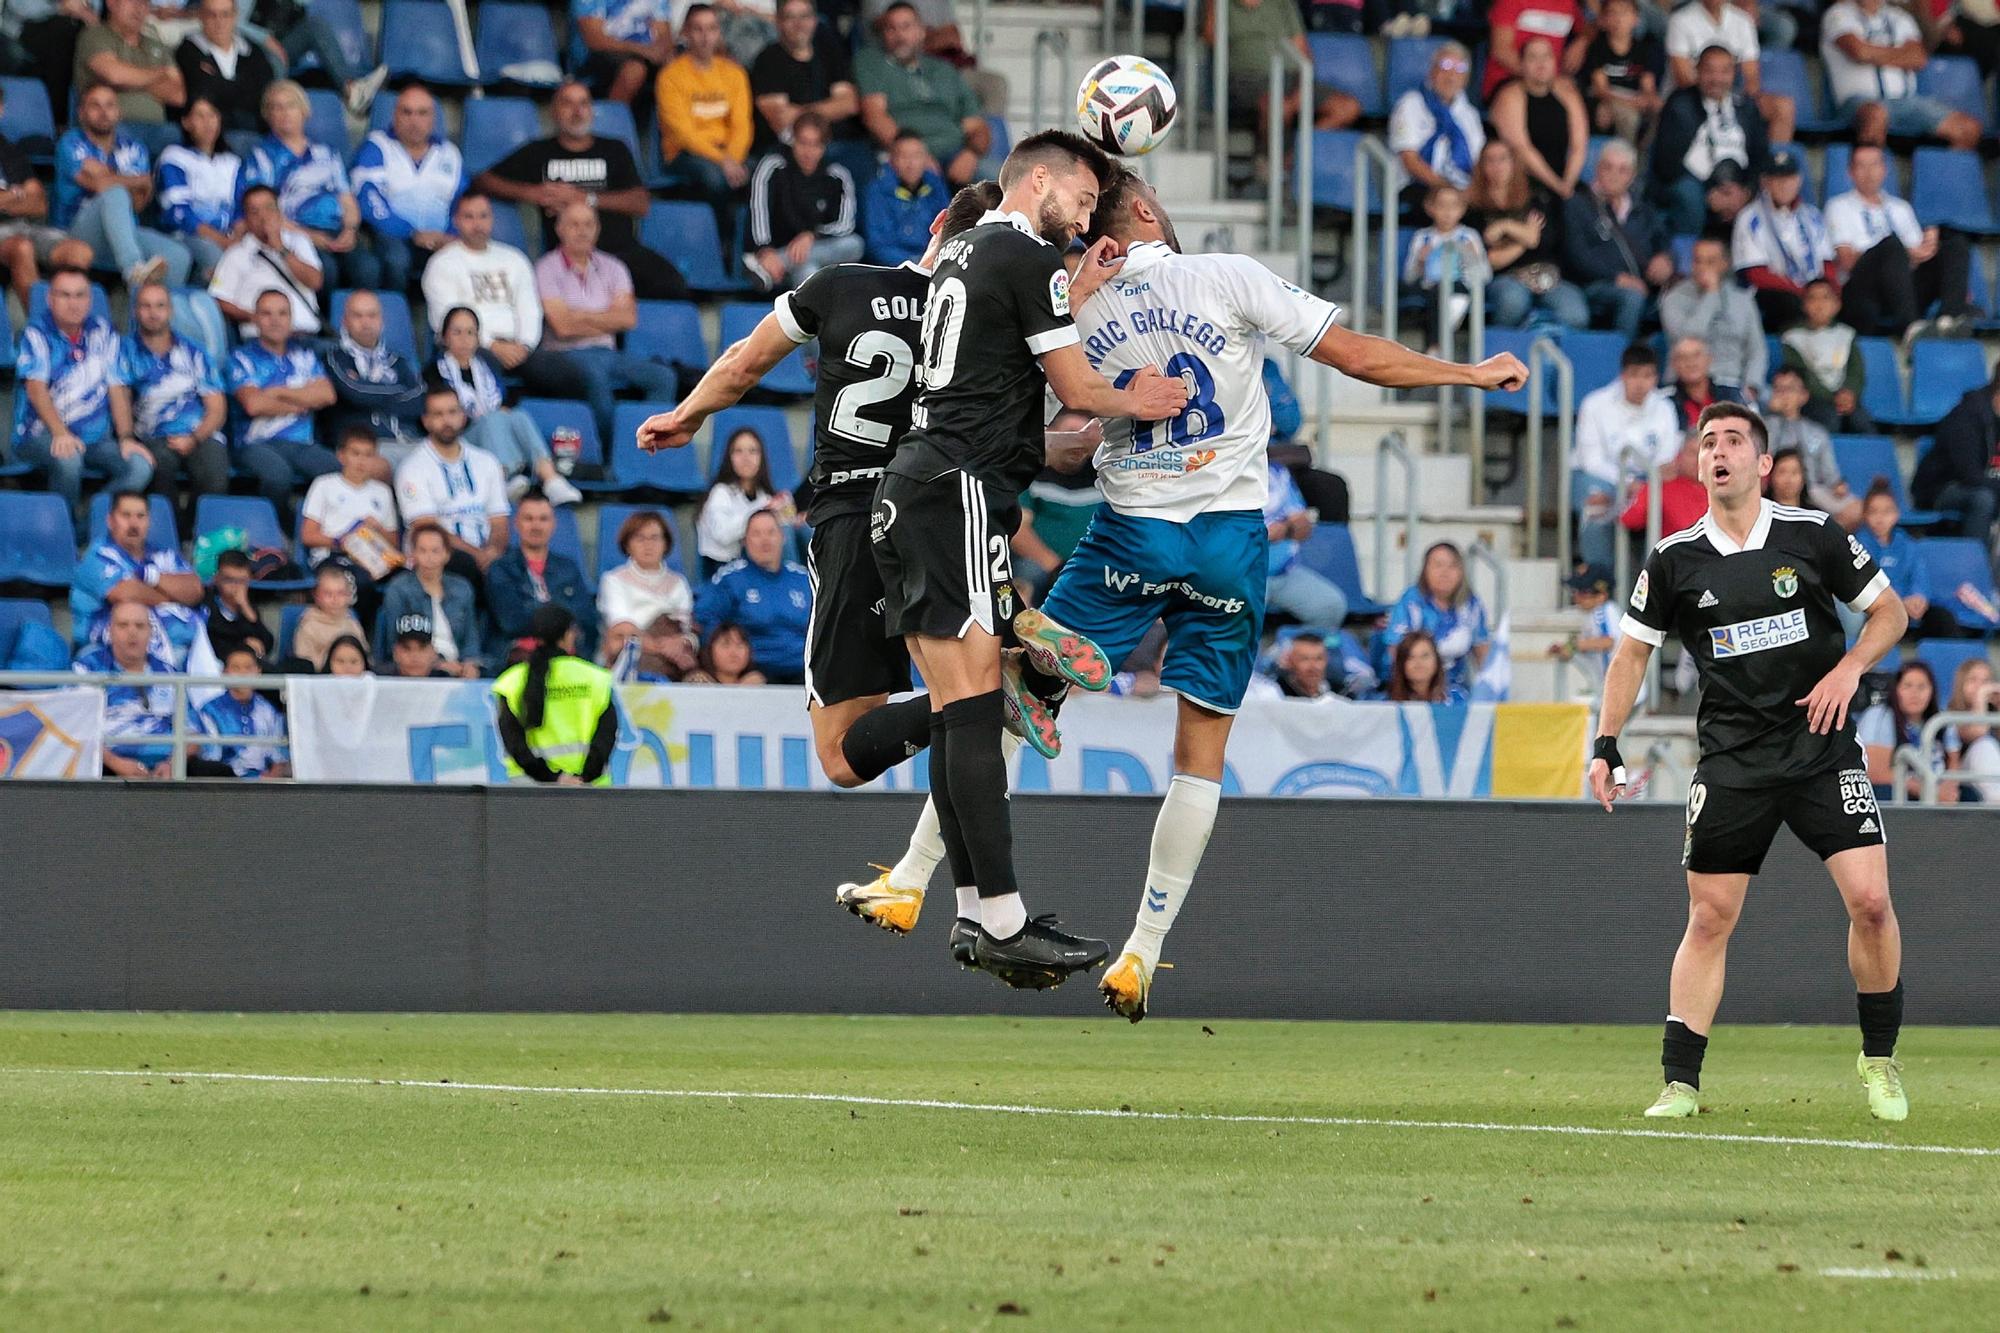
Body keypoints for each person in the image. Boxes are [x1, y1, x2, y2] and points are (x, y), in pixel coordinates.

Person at [833, 131, 1192, 988]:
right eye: (1078, 195)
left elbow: (1002, 349)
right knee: (972, 706)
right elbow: (1076, 389)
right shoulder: (1026, 254)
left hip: (916, 491)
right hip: (955, 491)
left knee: (967, 709)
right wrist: (1134, 397)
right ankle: (1001, 917)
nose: (1083, 213)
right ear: (1041, 181)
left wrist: (1083, 284)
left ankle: (971, 914)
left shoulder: (968, 251)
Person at [1591, 401, 1911, 1123]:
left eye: (1734, 439)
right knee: (1710, 915)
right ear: (1699, 463)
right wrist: (1606, 744)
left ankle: (1880, 1057)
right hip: (1733, 759)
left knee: (1870, 900)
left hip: (1821, 748)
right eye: (1708, 442)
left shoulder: (1813, 533)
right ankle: (1680, 1082)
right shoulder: (1674, 558)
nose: (1719, 450)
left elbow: (1889, 612)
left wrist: (1850, 667)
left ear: (1763, 463)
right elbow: (1632, 652)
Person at [636, 181, 1002, 801]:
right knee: (955, 700)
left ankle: (991, 702)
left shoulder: (841, 284)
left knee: (840, 756)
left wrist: (689, 415)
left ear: (938, 221)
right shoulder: (985, 325)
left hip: (856, 520)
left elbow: (743, 364)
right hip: (946, 523)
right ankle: (987, 703)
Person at [474, 81, 688, 301]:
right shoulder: (539, 152)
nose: (577, 111)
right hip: (570, 257)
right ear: (554, 113)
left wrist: (585, 198)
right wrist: (532, 193)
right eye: (568, 104)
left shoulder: (614, 149)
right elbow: (483, 181)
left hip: (621, 251)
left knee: (672, 285)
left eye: (583, 104)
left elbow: (640, 204)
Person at [421, 192, 595, 413]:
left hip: (520, 347)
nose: (477, 224)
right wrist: (492, 345)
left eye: (483, 216)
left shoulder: (514, 259)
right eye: (469, 217)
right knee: (484, 370)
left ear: (492, 219)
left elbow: (530, 310)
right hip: (473, 348)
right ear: (456, 221)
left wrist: (524, 346)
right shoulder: (442, 263)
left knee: (574, 377)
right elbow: (445, 321)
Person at [13, 266, 155, 528]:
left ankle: (88, 519)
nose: (73, 303)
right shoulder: (36, 333)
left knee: (140, 465)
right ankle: (61, 529)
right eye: (65, 295)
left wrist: (125, 438)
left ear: (89, 300)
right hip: (40, 435)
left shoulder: (104, 332)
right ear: (50, 299)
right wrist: (59, 433)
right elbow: (36, 388)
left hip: (96, 440)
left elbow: (117, 388)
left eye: (80, 296)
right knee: (68, 459)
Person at [532, 202, 680, 450]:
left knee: (663, 377)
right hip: (564, 354)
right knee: (595, 378)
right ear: (560, 229)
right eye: (574, 224)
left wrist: (579, 315)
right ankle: (615, 452)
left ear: (598, 229)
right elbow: (562, 326)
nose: (582, 231)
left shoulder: (614, 267)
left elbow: (627, 320)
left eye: (589, 224)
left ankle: (645, 445)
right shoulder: (546, 267)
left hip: (607, 353)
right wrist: (605, 317)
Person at [423, 305, 583, 506]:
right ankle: (504, 479)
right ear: (445, 337)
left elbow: (503, 400)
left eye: (470, 332)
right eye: (457, 332)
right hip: (458, 438)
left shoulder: (486, 363)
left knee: (518, 416)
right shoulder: (434, 371)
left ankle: (551, 480)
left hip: (492, 430)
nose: (464, 339)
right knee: (494, 418)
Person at [110, 280, 229, 531]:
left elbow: (217, 407)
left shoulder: (195, 352)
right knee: (160, 468)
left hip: (199, 433)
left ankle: (196, 536)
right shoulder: (124, 350)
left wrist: (194, 438)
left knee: (215, 472)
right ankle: (173, 538)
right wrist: (126, 437)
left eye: (160, 306)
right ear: (135, 311)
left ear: (171, 310)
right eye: (146, 306)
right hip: (152, 435)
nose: (153, 313)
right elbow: (119, 396)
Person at [1825, 144, 1973, 341]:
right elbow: (1846, 261)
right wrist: (1902, 253)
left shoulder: (1900, 208)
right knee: (1892, 246)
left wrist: (1929, 247)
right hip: (1865, 292)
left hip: (1905, 289)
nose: (1869, 173)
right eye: (1861, 166)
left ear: (1884, 169)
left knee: (1955, 243)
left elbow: (1916, 255)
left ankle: (1949, 318)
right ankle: (1910, 327)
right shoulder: (1838, 206)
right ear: (1850, 172)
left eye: (1875, 165)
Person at [56, 83, 192, 291]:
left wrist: (114, 179)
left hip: (124, 232)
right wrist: (135, 181)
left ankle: (147, 313)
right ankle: (132, 269)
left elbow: (137, 204)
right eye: (95, 106)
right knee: (115, 194)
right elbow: (101, 186)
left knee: (178, 256)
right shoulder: (71, 142)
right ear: (81, 113)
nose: (104, 112)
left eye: (110, 105)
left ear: (119, 112)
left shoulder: (134, 148)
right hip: (77, 232)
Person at [248, 79, 370, 286]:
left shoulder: (327, 153)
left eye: (291, 106)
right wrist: (310, 236)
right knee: (327, 271)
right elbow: (265, 211)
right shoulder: (262, 157)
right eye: (277, 107)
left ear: (304, 111)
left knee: (368, 268)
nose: (285, 113)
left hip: (337, 230)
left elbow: (347, 199)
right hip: (293, 233)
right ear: (268, 115)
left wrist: (349, 230)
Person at [227, 287, 337, 511]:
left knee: (334, 470)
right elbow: (254, 405)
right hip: (254, 444)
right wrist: (302, 400)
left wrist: (276, 392)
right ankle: (278, 534)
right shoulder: (241, 357)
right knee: (278, 475)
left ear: (291, 319)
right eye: (267, 314)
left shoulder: (304, 356)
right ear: (255, 319)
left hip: (300, 443)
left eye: (282, 313)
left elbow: (327, 395)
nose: (275, 320)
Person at [856, 3, 987, 187]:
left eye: (906, 27)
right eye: (891, 28)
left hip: (955, 153)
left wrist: (971, 154)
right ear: (883, 34)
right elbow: (875, 117)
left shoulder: (944, 69)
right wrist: (916, 156)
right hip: (903, 157)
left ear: (921, 31)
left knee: (1003, 181)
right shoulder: (871, 62)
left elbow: (977, 127)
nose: (899, 35)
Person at [71, 487, 205, 665]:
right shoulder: (97, 556)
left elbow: (195, 590)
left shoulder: (164, 555)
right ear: (110, 521)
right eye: (126, 515)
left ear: (148, 521)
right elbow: (127, 594)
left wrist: (154, 578)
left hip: (181, 647)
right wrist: (174, 595)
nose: (134, 524)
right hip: (109, 656)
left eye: (140, 516)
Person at [1824, 0, 1982, 150]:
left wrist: (1872, 53)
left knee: (1968, 129)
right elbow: (1859, 52)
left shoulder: (1899, 17)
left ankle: (1944, 177)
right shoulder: (1838, 14)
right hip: (1859, 102)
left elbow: (1918, 58)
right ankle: (1872, 174)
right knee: (1876, 115)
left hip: (1907, 103)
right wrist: (1901, 54)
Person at [395, 386, 512, 587]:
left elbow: (499, 521)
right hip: (440, 554)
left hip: (486, 551)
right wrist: (478, 555)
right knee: (469, 569)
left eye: (452, 412)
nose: (447, 421)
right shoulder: (412, 467)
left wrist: (493, 551)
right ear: (426, 421)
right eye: (438, 414)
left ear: (463, 416)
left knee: (516, 567)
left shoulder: (486, 461)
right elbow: (425, 527)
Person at [351, 84, 463, 294]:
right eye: (407, 112)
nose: (414, 120)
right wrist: (411, 232)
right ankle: (397, 316)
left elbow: (462, 201)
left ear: (433, 118)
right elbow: (368, 199)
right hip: (394, 236)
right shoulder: (377, 146)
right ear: (395, 115)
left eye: (422, 113)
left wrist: (451, 235)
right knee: (395, 260)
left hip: (442, 237)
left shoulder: (450, 153)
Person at [1648, 45, 1769, 236]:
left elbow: (1761, 156)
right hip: (1695, 186)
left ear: (1734, 73)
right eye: (1709, 70)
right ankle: (1689, 259)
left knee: (1776, 186)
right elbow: (1666, 163)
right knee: (1688, 193)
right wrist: (1709, 193)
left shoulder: (1746, 106)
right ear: (1698, 71)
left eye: (1724, 71)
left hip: (1738, 185)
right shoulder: (1679, 104)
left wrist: (1745, 192)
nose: (1717, 79)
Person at [492, 604, 619, 785]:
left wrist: (554, 779)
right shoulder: (596, 678)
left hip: (529, 793)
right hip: (590, 792)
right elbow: (605, 737)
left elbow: (515, 744)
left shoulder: (511, 682)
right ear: (568, 634)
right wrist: (583, 778)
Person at [1466, 140, 1587, 330]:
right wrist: (1526, 239)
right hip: (1506, 278)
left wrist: (1506, 228)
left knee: (1576, 314)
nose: (1497, 166)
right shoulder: (1474, 210)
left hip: (1547, 274)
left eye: (1503, 159)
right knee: (1512, 303)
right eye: (1490, 160)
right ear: (1481, 166)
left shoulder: (1536, 198)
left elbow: (1545, 241)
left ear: (1514, 163)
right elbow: (1491, 259)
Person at [656, 4, 754, 238]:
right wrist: (724, 162)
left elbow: (742, 124)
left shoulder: (735, 73)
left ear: (719, 32)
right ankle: (720, 242)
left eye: (711, 29)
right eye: (697, 29)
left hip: (729, 153)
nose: (705, 37)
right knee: (714, 178)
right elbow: (683, 133)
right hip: (685, 153)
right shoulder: (670, 76)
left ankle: (753, 245)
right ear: (685, 33)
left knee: (765, 170)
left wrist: (733, 158)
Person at [1563, 138, 1673, 341]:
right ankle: (1622, 362)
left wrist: (1664, 258)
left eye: (1622, 170)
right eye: (1608, 167)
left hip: (1645, 283)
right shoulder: (1577, 205)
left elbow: (1662, 239)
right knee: (1632, 297)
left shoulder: (1642, 208)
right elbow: (1577, 257)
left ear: (1631, 176)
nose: (1614, 175)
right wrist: (1617, 278)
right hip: (1594, 285)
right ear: (1597, 169)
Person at [0, 84, 93, 309]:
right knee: (22, 248)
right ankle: (41, 330)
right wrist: (16, 195)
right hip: (9, 236)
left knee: (79, 252)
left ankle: (73, 324)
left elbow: (39, 204)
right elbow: (27, 197)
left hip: (24, 227)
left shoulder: (7, 149)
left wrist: (7, 200)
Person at [745, 112, 861, 292]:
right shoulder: (773, 166)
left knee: (854, 244)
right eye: (803, 143)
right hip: (776, 249)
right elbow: (758, 210)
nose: (809, 151)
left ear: (825, 146)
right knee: (807, 269)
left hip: (818, 248)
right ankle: (774, 263)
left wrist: (811, 236)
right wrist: (765, 250)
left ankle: (770, 267)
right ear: (793, 141)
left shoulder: (837, 175)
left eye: (816, 145)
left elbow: (845, 225)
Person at [695, 508, 811, 684]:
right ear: (745, 541)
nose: (765, 540)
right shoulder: (730, 579)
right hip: (754, 671)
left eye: (771, 532)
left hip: (805, 670)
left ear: (783, 537)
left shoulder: (803, 579)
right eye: (756, 534)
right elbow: (705, 621)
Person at [73, 600, 186, 779]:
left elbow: (193, 731)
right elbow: (74, 726)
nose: (132, 632)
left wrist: (172, 764)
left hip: (165, 763)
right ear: (110, 631)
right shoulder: (88, 667)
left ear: (151, 632)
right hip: (107, 760)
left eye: (140, 626)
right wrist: (115, 763)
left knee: (216, 772)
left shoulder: (168, 672)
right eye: (123, 625)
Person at [487, 491, 598, 665]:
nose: (536, 526)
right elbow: (511, 622)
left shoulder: (568, 568)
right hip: (518, 658)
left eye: (543, 519)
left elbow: (585, 617)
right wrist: (560, 618)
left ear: (553, 524)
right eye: (529, 519)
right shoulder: (501, 568)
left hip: (568, 657)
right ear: (516, 524)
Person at [1733, 147, 1836, 332]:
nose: (1783, 185)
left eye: (1788, 178)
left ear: (1798, 180)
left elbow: (1827, 265)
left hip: (1811, 290)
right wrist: (1804, 293)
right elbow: (1755, 274)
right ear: (1765, 182)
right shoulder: (1750, 218)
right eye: (1777, 179)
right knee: (1789, 302)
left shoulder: (1812, 216)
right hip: (1770, 293)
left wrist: (1823, 295)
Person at [300, 426, 398, 615]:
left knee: (408, 580)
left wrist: (378, 529)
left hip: (374, 557)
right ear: (341, 455)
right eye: (356, 454)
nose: (361, 461)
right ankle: (356, 631)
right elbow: (308, 535)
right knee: (360, 581)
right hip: (333, 556)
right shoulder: (324, 485)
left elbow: (394, 543)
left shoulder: (382, 492)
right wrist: (340, 542)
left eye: (368, 455)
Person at [1665, 0, 1793, 145]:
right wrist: (1716, 100)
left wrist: (1737, 105)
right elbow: (1683, 78)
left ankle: (1774, 163)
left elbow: (1751, 78)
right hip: (1691, 99)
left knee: (1783, 107)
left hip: (1732, 97)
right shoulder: (1680, 20)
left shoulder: (1742, 20)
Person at [324, 288, 426, 469]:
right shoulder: (335, 357)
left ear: (382, 321)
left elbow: (419, 400)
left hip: (409, 441)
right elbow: (355, 393)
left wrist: (370, 394)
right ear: (345, 321)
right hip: (366, 449)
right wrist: (400, 390)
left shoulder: (397, 360)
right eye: (358, 316)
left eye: (372, 316)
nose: (366, 322)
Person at [1659, 236, 1767, 404]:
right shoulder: (1673, 298)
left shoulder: (1743, 300)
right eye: (1697, 261)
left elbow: (1757, 349)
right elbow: (1689, 339)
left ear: (1725, 264)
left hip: (1734, 383)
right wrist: (1711, 294)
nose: (1702, 268)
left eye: (1710, 262)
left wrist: (1752, 385)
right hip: (1685, 386)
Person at [208, 183, 321, 337]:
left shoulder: (299, 242)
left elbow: (315, 281)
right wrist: (252, 316)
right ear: (246, 219)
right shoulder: (237, 253)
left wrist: (281, 249)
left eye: (269, 208)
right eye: (255, 211)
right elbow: (220, 298)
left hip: (304, 335)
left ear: (279, 212)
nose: (263, 216)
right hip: (260, 338)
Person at [1855, 480, 1961, 641]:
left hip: (1910, 607)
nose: (1880, 518)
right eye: (1873, 512)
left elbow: (1919, 573)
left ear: (1896, 514)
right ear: (1864, 515)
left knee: (1943, 618)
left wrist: (1919, 597)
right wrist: (1897, 602)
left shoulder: (1907, 543)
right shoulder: (1857, 545)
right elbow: (1863, 584)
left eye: (1887, 512)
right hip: (1877, 609)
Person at [1385, 542, 1492, 698]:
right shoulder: (1411, 601)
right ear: (1425, 570)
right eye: (1438, 565)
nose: (1445, 572)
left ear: (1461, 571)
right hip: (1413, 690)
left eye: (1452, 566)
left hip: (1456, 689)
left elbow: (1483, 652)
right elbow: (1395, 651)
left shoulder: (1471, 604)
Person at [1489, 37, 1588, 206]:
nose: (1540, 63)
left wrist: (1568, 183)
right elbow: (1521, 148)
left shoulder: (1567, 92)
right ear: (1521, 64)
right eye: (1532, 57)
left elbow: (1579, 145)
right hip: (1524, 180)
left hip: (1564, 178)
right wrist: (1557, 186)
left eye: (1546, 56)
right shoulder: (1509, 96)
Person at [156, 96, 244, 282]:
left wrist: (236, 238)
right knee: (217, 260)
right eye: (200, 116)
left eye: (212, 115)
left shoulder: (232, 162)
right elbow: (179, 213)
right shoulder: (174, 157)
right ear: (186, 122)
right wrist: (221, 241)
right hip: (186, 235)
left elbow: (241, 209)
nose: (208, 122)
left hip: (229, 237)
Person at [751, 0, 860, 150]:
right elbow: (780, 118)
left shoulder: (830, 52)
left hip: (839, 144)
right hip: (791, 150)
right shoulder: (768, 59)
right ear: (778, 22)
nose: (799, 24)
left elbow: (849, 104)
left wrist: (800, 113)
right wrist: (831, 109)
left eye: (805, 16)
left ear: (815, 20)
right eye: (790, 17)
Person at [375, 522, 481, 675]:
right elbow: (395, 641)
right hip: (418, 667)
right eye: (422, 551)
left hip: (459, 666)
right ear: (413, 554)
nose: (429, 558)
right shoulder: (398, 588)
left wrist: (470, 664)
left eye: (435, 551)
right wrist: (437, 664)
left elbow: (470, 638)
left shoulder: (462, 588)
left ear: (447, 554)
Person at [73, 0, 185, 142]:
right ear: (112, 3)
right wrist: (161, 74)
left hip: (158, 129)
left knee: (176, 138)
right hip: (108, 127)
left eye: (145, 3)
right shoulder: (95, 35)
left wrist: (131, 78)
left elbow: (178, 95)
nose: (139, 8)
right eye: (133, 1)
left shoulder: (155, 44)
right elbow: (115, 75)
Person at [1764, 367, 1860, 528]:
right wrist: (1773, 413)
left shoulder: (1817, 432)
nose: (1785, 395)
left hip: (1813, 489)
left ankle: (1818, 541)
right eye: (1779, 389)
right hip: (1776, 486)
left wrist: (1838, 485)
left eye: (1790, 389)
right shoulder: (1764, 425)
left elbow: (1831, 475)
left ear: (1803, 396)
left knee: (1855, 509)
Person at [597, 508, 694, 662]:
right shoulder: (613, 580)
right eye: (640, 538)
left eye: (655, 538)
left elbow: (685, 627)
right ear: (628, 545)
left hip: (672, 655)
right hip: (627, 653)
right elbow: (621, 627)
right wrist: (658, 647)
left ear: (666, 544)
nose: (648, 545)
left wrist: (677, 644)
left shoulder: (679, 582)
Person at [1388, 41, 1485, 194]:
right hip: (1417, 185)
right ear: (1432, 72)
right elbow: (1409, 160)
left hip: (1462, 188)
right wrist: (1446, 188)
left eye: (1460, 69)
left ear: (1466, 79)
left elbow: (1478, 160)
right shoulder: (1411, 103)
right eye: (1445, 66)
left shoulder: (1470, 114)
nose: (1451, 75)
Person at [174, 0, 274, 147]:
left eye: (225, 15)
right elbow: (200, 92)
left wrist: (220, 83)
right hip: (210, 138)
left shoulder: (253, 51)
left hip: (255, 130)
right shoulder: (187, 51)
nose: (219, 21)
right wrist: (242, 88)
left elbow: (264, 93)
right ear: (201, 16)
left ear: (235, 16)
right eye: (211, 15)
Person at [1263, 459, 1348, 632]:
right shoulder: (1227, 470)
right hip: (1241, 575)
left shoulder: (1277, 472)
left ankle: (1289, 654)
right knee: (1240, 617)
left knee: (1331, 606)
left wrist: (1285, 528)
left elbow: (1304, 529)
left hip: (1284, 572)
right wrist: (1259, 534)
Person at [1402, 183, 1490, 349]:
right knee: (1439, 292)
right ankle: (1438, 342)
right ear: (1430, 207)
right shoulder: (1423, 237)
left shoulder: (1469, 236)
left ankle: (1435, 345)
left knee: (1453, 293)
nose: (1448, 212)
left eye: (1454, 206)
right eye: (1442, 205)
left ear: (1463, 209)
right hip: (1431, 289)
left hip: (1462, 288)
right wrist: (1420, 260)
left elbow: (1485, 276)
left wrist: (1472, 257)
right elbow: (1409, 277)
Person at [1914, 376, 2000, 545]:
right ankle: (1974, 563)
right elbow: (1969, 475)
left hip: (1985, 484)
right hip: (1942, 487)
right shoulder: (1966, 417)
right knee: (1983, 499)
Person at [1779, 280, 1872, 433]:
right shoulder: (1792, 336)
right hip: (1812, 399)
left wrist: (1849, 392)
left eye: (1825, 298)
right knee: (1829, 420)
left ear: (1837, 305)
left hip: (1844, 397)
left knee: (1862, 421)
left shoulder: (1846, 334)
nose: (1819, 304)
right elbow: (1801, 373)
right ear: (1804, 305)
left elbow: (1856, 370)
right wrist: (1832, 397)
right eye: (1812, 298)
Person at [1860, 660, 1960, 801]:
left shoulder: (1941, 721)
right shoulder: (1880, 716)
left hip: (1935, 786)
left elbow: (1954, 761)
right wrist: (1928, 790)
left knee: (1969, 795)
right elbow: (1876, 772)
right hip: (1900, 788)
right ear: (1896, 690)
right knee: (1885, 793)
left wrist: (1948, 789)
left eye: (1922, 687)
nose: (1915, 693)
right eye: (1907, 686)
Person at [697, 427, 788, 573]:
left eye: (753, 451)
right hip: (723, 567)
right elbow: (723, 535)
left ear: (761, 458)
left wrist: (790, 516)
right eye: (738, 451)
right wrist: (762, 510)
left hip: (755, 565)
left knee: (790, 531)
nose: (746, 458)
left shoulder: (763, 495)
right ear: (729, 457)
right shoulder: (720, 492)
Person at [195, 645, 288, 778]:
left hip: (262, 786)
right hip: (222, 785)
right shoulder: (209, 710)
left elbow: (279, 758)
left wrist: (268, 781)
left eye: (248, 667)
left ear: (258, 671)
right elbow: (211, 758)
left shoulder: (268, 710)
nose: (243, 673)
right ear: (224, 672)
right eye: (236, 668)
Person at [1579, 0, 1663, 144]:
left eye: (1624, 13)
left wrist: (1649, 98)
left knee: (1662, 108)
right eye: (1612, 13)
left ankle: (1644, 154)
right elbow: (1601, 89)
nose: (1619, 19)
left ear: (1636, 19)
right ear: (1603, 20)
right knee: (1629, 117)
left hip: (1633, 95)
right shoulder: (1597, 48)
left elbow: (1648, 85)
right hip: (1609, 95)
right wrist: (1631, 101)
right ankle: (1626, 158)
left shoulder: (1643, 49)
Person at [862, 131, 946, 266]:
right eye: (904, 156)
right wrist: (914, 264)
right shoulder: (878, 189)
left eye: (917, 156)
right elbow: (877, 244)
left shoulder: (935, 184)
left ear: (926, 158)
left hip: (931, 262)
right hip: (892, 268)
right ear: (892, 159)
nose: (911, 164)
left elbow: (945, 229)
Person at [570, 0, 673, 107]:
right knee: (635, 70)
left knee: (678, 65)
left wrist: (664, 51)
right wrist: (642, 50)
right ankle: (612, 120)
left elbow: (663, 33)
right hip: (598, 54)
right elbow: (594, 39)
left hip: (645, 53)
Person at [1482, 0, 1580, 101]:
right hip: (1509, 79)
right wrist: (1542, 79)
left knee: (1572, 95)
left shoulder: (1569, 3)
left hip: (1552, 81)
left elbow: (1588, 27)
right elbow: (1500, 51)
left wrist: (1582, 42)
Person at [202, 548, 275, 662]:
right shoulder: (205, 602)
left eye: (241, 581)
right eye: (229, 580)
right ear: (217, 578)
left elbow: (267, 643)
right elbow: (213, 640)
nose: (236, 586)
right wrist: (243, 646)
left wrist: (246, 608)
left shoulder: (249, 606)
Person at [290, 562, 366, 670]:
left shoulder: (353, 624)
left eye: (340, 593)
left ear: (349, 595)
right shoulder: (309, 626)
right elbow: (304, 663)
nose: (335, 599)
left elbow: (364, 656)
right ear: (316, 596)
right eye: (328, 594)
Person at [1667, 335, 1744, 434]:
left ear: (1709, 359)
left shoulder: (1731, 395)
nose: (1690, 363)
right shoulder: (1666, 402)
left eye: (1696, 355)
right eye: (1683, 358)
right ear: (1674, 365)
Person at [1387, 628, 1463, 703]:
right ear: (1401, 664)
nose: (1418, 663)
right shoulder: (1385, 704)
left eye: (1425, 656)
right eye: (1411, 657)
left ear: (1437, 660)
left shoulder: (1457, 699)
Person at [695, 620, 764, 685]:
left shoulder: (758, 684)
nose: (734, 653)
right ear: (710, 650)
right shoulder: (698, 683)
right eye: (725, 645)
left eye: (740, 645)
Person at [385, 615, 455, 678]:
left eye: (422, 648)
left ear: (433, 653)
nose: (414, 656)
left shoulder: (448, 684)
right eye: (407, 648)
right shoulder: (379, 683)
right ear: (395, 653)